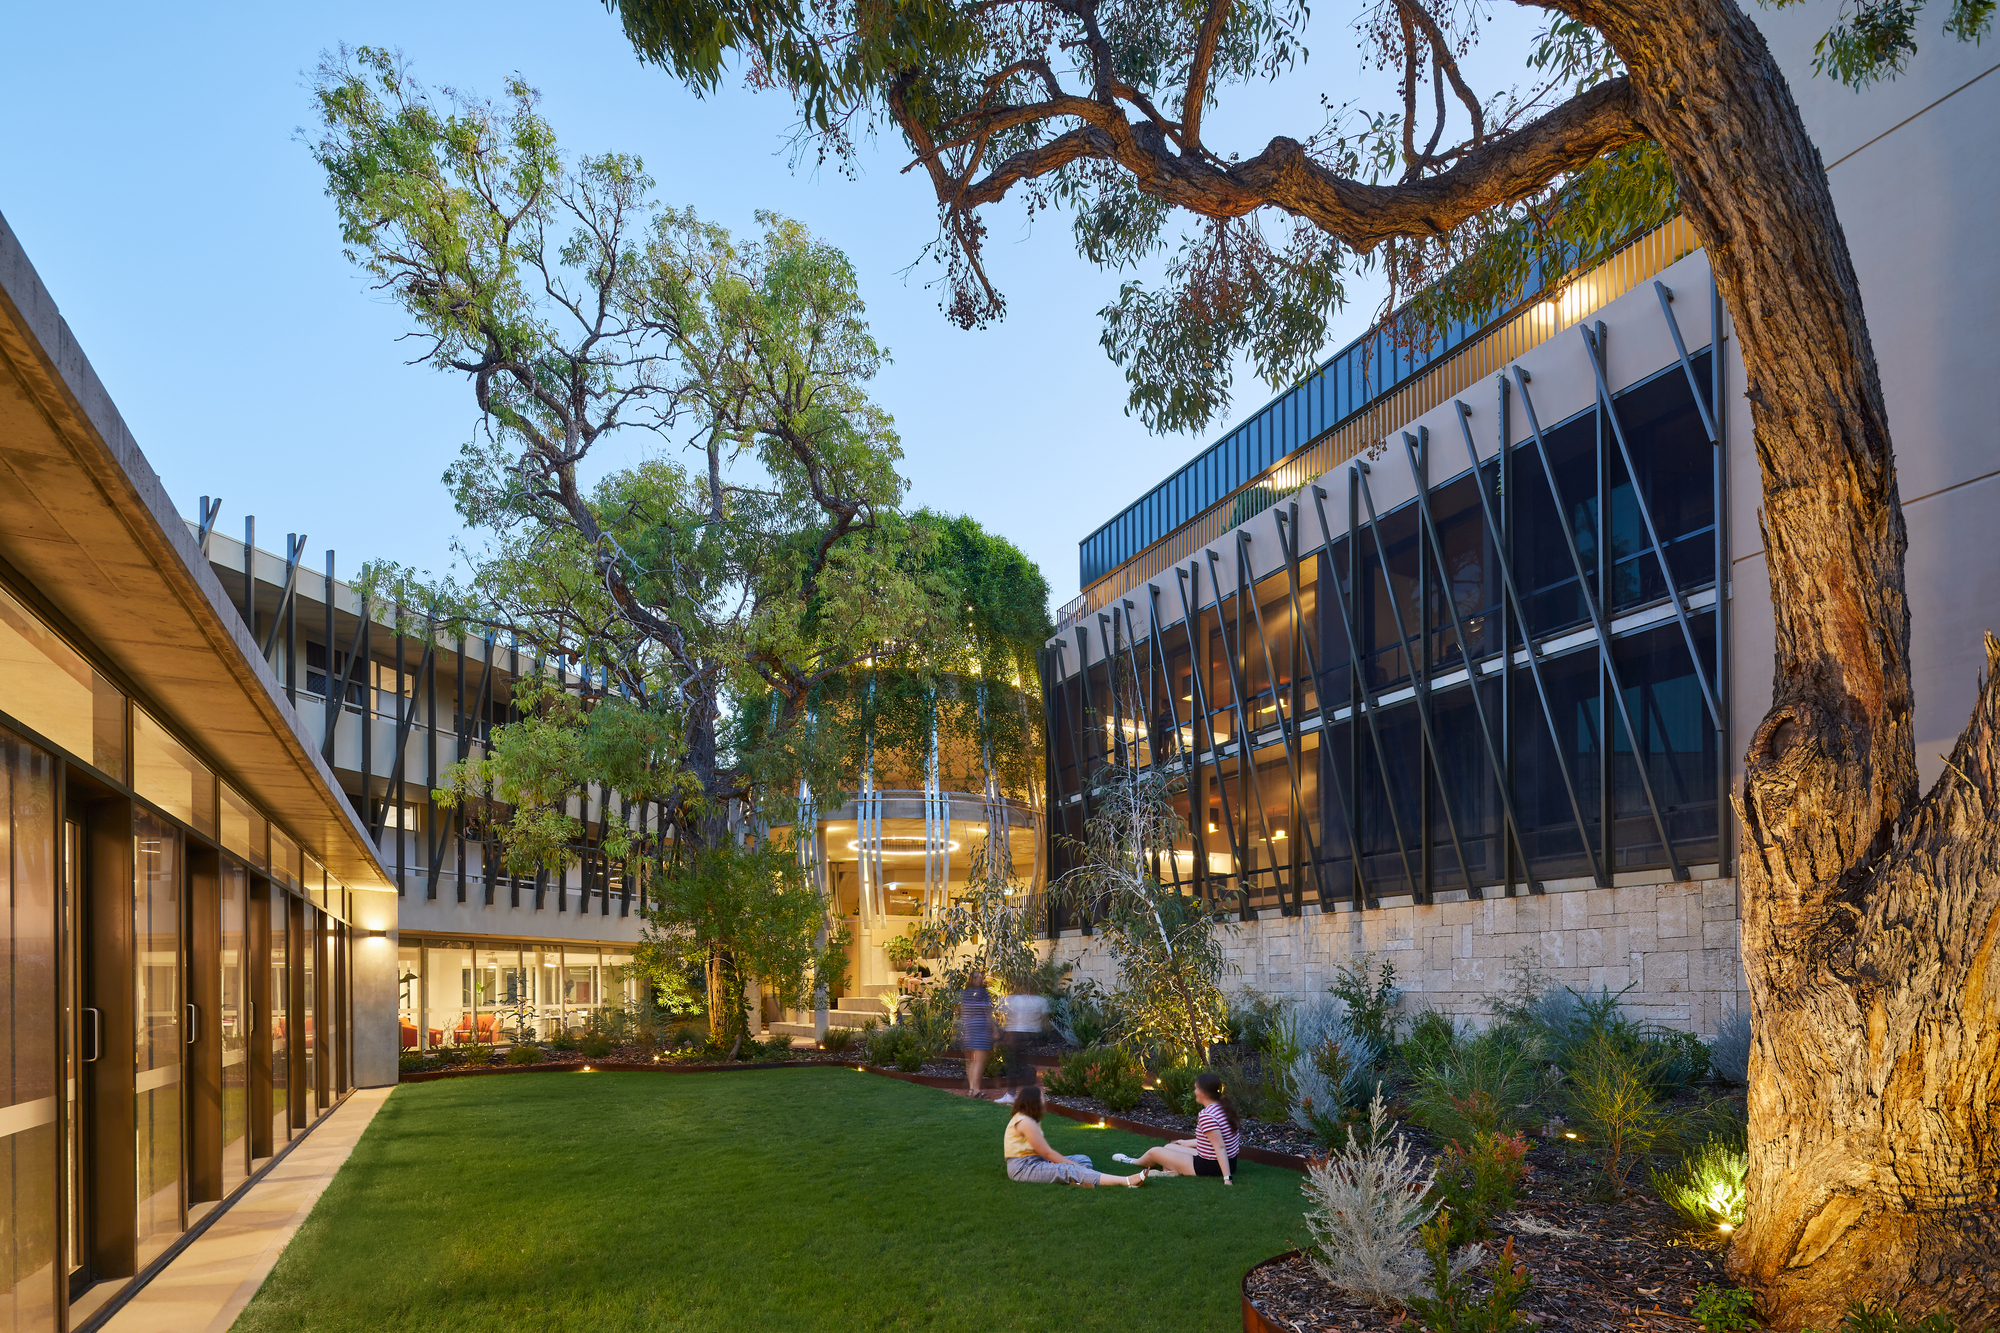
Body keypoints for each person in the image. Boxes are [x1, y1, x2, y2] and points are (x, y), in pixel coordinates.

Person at [1003, 1087, 1146, 1187]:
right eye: (1042, 1098)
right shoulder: (1025, 1122)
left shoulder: (1029, 1119)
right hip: (1023, 1168)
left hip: (1035, 1161)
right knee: (1073, 1169)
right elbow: (1047, 1153)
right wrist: (1073, 1166)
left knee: (1083, 1160)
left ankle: (1077, 1181)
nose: (1044, 1101)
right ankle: (1126, 1181)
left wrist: (1074, 1164)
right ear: (1033, 1102)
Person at [1114, 1073, 1241, 1184]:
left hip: (1210, 1167)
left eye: (1196, 1088)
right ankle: (1169, 1172)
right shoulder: (1224, 1107)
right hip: (1229, 1162)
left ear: (1205, 1093)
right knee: (1169, 1148)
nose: (1194, 1091)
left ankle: (1133, 1162)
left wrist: (1227, 1178)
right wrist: (1185, 1143)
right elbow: (1214, 1140)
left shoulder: (1207, 1115)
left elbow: (1220, 1147)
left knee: (1155, 1152)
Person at [993, 977, 1049, 1106]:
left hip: (1016, 1035)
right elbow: (1045, 1020)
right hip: (1033, 1035)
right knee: (1029, 1066)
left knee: (1012, 1064)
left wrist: (1003, 1034)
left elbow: (1002, 1015)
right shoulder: (1040, 1001)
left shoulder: (1013, 1000)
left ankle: (1011, 1094)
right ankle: (1027, 1095)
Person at [959, 969, 994, 1096]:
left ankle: (971, 1089)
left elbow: (963, 1011)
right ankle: (976, 1089)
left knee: (971, 1061)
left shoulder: (966, 994)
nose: (979, 979)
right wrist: (993, 1030)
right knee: (979, 1060)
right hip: (980, 1028)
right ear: (972, 979)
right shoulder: (984, 994)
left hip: (969, 1028)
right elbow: (987, 1012)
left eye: (980, 977)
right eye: (977, 977)